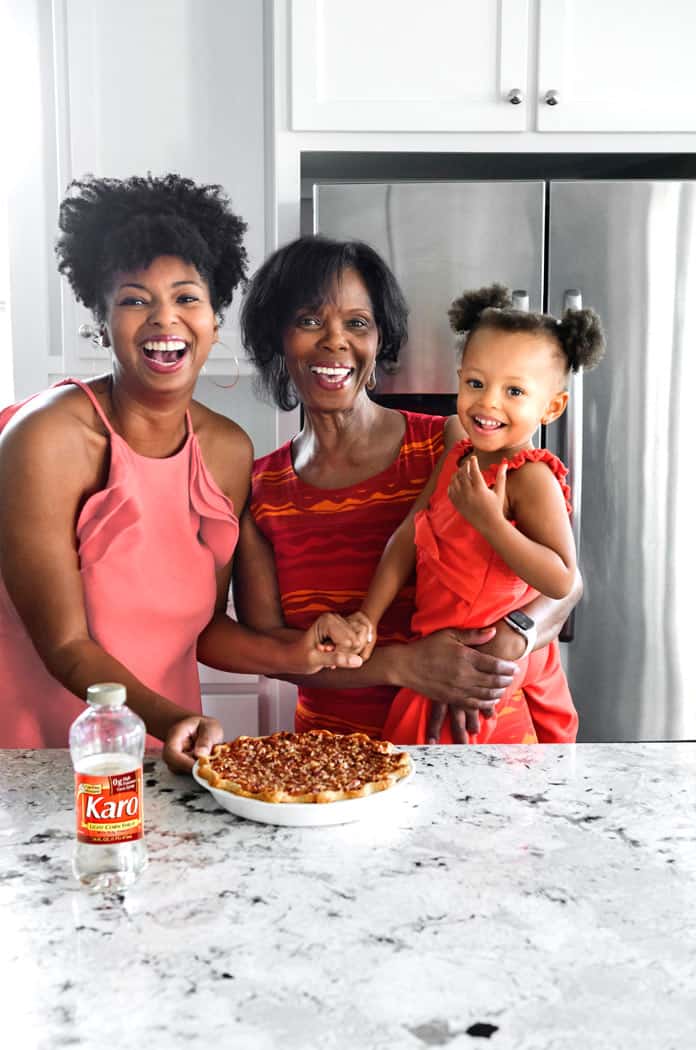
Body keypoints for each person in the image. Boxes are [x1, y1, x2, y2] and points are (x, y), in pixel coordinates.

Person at [0, 175, 362, 772]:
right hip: (39, 764)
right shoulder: (45, 439)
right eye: (135, 300)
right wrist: (169, 720)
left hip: (169, 763)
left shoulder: (224, 451)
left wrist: (296, 652)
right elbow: (65, 645)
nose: (164, 320)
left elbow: (207, 629)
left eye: (187, 298)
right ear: (100, 322)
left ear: (215, 320)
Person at [235, 237, 583, 742]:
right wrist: (402, 666)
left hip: (477, 745)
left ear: (380, 340)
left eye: (357, 323)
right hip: (335, 754)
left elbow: (566, 581)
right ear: (277, 338)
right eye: (309, 321)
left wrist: (512, 639)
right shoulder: (260, 490)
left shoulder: (451, 444)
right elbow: (269, 647)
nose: (335, 341)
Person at [342, 283, 606, 743]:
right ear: (459, 377)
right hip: (435, 665)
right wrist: (369, 614)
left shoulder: (531, 479)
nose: (488, 403)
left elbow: (562, 578)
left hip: (490, 681)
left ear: (553, 407)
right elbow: (408, 536)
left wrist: (490, 522)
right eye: (476, 384)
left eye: (515, 391)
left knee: (488, 807)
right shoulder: (458, 457)